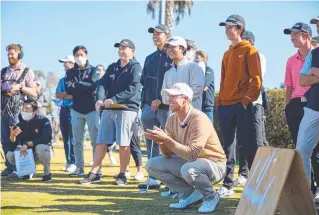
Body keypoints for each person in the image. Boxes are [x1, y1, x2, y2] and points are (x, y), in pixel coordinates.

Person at [145, 83, 226, 213]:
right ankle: (189, 195)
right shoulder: (172, 119)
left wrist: (166, 139)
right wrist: (161, 141)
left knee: (189, 169)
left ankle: (211, 196)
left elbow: (192, 154)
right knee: (151, 165)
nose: (169, 99)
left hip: (215, 165)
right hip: (191, 164)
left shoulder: (199, 118)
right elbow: (167, 154)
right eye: (169, 96)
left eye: (174, 96)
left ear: (186, 99)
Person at [79, 39, 142, 185]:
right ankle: (94, 173)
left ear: (132, 51)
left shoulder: (136, 67)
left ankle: (122, 175)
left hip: (127, 109)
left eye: (124, 48)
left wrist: (114, 99)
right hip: (109, 109)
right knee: (101, 141)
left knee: (123, 143)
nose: (121, 50)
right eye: (119, 48)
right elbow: (102, 83)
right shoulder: (113, 67)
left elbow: (132, 89)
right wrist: (99, 99)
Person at [216, 15, 262, 197]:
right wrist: (220, 101)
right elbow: (223, 81)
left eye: (231, 27)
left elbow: (257, 80)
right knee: (227, 147)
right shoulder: (226, 54)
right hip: (225, 106)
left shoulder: (250, 51)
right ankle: (227, 184)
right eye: (225, 27)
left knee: (249, 145)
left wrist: (246, 100)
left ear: (240, 29)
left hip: (242, 105)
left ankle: (256, 185)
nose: (227, 30)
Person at [139, 24, 172, 189]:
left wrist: (160, 99)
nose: (154, 36)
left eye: (158, 33)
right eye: (153, 33)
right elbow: (144, 82)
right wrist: (146, 103)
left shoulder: (172, 56)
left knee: (169, 141)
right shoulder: (149, 58)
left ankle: (172, 179)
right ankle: (153, 177)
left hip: (166, 107)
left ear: (167, 36)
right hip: (148, 107)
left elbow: (173, 84)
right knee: (151, 142)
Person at [234, 30, 266, 187]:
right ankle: (244, 173)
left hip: (254, 104)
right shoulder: (235, 57)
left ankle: (261, 174)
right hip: (239, 104)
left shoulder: (258, 56)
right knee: (242, 140)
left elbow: (254, 81)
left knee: (257, 141)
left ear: (251, 41)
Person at [1, 44, 37, 177]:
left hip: (19, 110)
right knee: (5, 139)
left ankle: (21, 168)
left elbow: (33, 92)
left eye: (12, 54)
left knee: (18, 138)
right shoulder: (3, 71)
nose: (10, 56)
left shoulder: (27, 71)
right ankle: (10, 167)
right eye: (8, 54)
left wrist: (21, 87)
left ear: (19, 54)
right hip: (3, 110)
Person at [65, 46, 100, 177]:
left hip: (92, 110)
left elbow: (94, 86)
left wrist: (77, 84)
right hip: (76, 110)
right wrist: (84, 86)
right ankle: (79, 168)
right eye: (76, 55)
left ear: (86, 55)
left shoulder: (93, 70)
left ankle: (97, 169)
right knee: (77, 141)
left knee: (95, 141)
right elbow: (68, 89)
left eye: (81, 54)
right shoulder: (70, 72)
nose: (79, 57)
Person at [6, 99, 53, 181]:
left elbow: (45, 139)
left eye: (27, 108)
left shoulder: (43, 121)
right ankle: (27, 171)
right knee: (10, 154)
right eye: (23, 108)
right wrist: (12, 135)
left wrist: (27, 144)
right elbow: (12, 147)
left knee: (41, 147)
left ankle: (47, 173)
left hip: (43, 152)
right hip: (28, 154)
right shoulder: (20, 125)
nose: (24, 110)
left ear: (35, 111)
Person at [283, 23, 312, 147]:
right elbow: (289, 86)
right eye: (291, 34)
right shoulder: (291, 60)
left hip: (313, 105)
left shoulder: (316, 56)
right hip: (295, 105)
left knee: (314, 148)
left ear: (306, 35)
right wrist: (287, 108)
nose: (291, 37)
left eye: (295, 33)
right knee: (299, 146)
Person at [297, 47, 319, 200]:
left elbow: (308, 77)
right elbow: (302, 80)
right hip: (313, 108)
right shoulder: (314, 53)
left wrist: (314, 71)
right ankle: (306, 196)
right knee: (301, 150)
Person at [162, 36, 205, 111]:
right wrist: (173, 99)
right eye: (168, 47)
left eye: (173, 47)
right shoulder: (168, 73)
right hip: (173, 117)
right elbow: (164, 96)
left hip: (191, 115)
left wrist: (177, 98)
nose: (170, 50)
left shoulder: (194, 67)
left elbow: (197, 89)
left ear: (182, 49)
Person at [56, 55, 76, 173]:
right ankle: (68, 161)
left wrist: (66, 95)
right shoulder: (62, 80)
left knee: (73, 137)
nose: (64, 65)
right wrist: (67, 95)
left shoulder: (77, 78)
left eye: (66, 62)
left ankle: (74, 162)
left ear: (72, 63)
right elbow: (58, 94)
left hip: (74, 109)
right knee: (65, 137)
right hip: (64, 110)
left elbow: (77, 95)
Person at [195, 51, 215, 123]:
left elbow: (205, 85)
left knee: (208, 128)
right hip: (197, 105)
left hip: (206, 105)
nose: (195, 61)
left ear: (204, 59)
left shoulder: (209, 70)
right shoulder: (194, 72)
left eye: (197, 59)